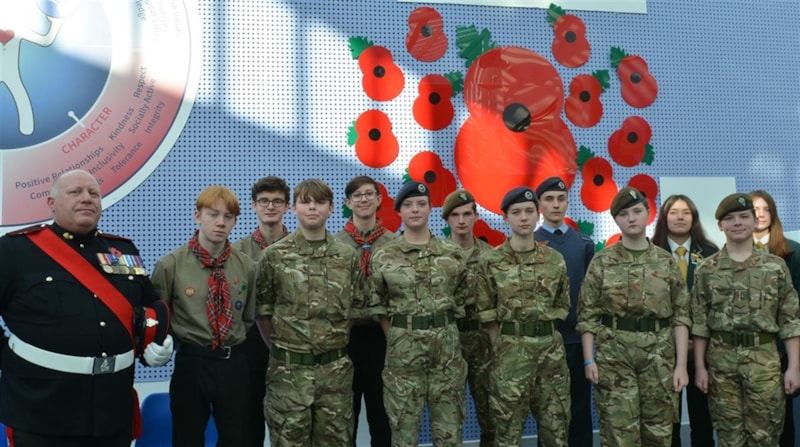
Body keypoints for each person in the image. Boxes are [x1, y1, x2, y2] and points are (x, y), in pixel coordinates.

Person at [0, 169, 172, 447]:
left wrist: (159, 342)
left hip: (111, 409)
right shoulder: (14, 250)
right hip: (42, 409)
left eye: (94, 193)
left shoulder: (122, 250)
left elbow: (149, 305)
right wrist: (10, 359)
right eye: (75, 192)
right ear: (51, 203)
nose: (86, 199)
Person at [577, 186, 690, 446]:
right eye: (624, 214)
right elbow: (588, 314)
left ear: (648, 215)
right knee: (619, 434)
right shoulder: (602, 262)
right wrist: (588, 360)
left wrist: (681, 365)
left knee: (659, 433)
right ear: (616, 220)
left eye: (637, 211)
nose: (631, 218)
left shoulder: (665, 262)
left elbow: (681, 315)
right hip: (614, 356)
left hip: (659, 358)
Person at [257, 178, 361, 446]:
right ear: (293, 209)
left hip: (334, 374)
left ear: (331, 209)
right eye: (305, 202)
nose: (312, 208)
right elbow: (263, 312)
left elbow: (355, 308)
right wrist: (284, 349)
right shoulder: (274, 256)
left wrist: (328, 341)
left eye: (320, 202)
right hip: (288, 375)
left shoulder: (348, 256)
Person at [151, 185, 256, 447]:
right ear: (198, 216)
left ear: (235, 221)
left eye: (228, 217)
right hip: (192, 363)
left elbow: (248, 318)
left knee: (237, 438)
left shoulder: (246, 266)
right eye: (213, 214)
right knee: (187, 437)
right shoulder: (170, 265)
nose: (220, 222)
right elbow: (160, 318)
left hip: (234, 365)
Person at [692, 192, 800, 446]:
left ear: (755, 221)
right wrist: (699, 368)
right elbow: (699, 323)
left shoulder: (775, 267)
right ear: (720, 225)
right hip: (721, 365)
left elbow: (790, 320)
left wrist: (794, 367)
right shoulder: (706, 269)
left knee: (766, 437)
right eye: (729, 218)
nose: (737, 222)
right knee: (729, 438)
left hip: (764, 363)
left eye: (744, 216)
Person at [367, 181, 468, 447]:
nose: (415, 210)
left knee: (449, 432)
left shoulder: (452, 253)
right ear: (399, 211)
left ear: (430, 209)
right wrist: (398, 336)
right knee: (403, 431)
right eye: (408, 205)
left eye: (421, 204)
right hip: (403, 355)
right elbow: (378, 304)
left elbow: (462, 298)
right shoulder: (384, 255)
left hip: (446, 355)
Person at [475, 186, 571, 447]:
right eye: (516, 212)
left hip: (550, 355)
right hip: (510, 354)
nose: (524, 217)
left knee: (556, 430)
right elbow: (487, 313)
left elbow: (562, 303)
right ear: (505, 218)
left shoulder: (555, 260)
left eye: (529, 211)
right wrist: (503, 347)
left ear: (537, 215)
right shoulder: (491, 261)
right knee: (507, 432)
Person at [533, 177, 595, 447]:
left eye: (560, 199)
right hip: (544, 341)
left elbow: (592, 295)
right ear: (539, 205)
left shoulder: (583, 243)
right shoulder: (530, 241)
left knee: (580, 409)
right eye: (549, 199)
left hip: (577, 341)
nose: (555, 205)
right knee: (547, 412)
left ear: (568, 202)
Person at [652, 194, 718, 447]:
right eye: (673, 212)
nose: (680, 217)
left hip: (704, 349)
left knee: (703, 419)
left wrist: (696, 340)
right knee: (668, 422)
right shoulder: (652, 252)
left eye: (686, 212)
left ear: (694, 218)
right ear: (664, 218)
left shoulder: (711, 253)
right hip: (664, 349)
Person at [335, 175, 395, 447]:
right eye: (357, 195)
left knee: (383, 418)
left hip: (384, 337)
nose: (363, 199)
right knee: (344, 418)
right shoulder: (334, 245)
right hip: (345, 338)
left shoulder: (395, 244)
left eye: (369, 194)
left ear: (379, 199)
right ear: (348, 202)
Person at [233, 175, 291, 447]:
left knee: (291, 424)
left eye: (277, 201)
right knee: (248, 425)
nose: (271, 206)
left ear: (287, 207)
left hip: (294, 343)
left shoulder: (301, 248)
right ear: (253, 206)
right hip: (250, 345)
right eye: (264, 201)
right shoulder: (236, 251)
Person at [442, 189, 494, 447]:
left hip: (484, 343)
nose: (461, 220)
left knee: (492, 414)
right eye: (455, 215)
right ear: (447, 220)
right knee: (449, 418)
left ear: (476, 217)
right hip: (449, 342)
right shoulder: (437, 258)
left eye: (466, 214)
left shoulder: (492, 257)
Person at [750, 190, 800, 447]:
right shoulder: (733, 253)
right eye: (754, 208)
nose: (759, 214)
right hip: (745, 352)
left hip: (782, 349)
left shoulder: (793, 251)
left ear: (773, 214)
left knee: (783, 422)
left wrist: (787, 352)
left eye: (765, 208)